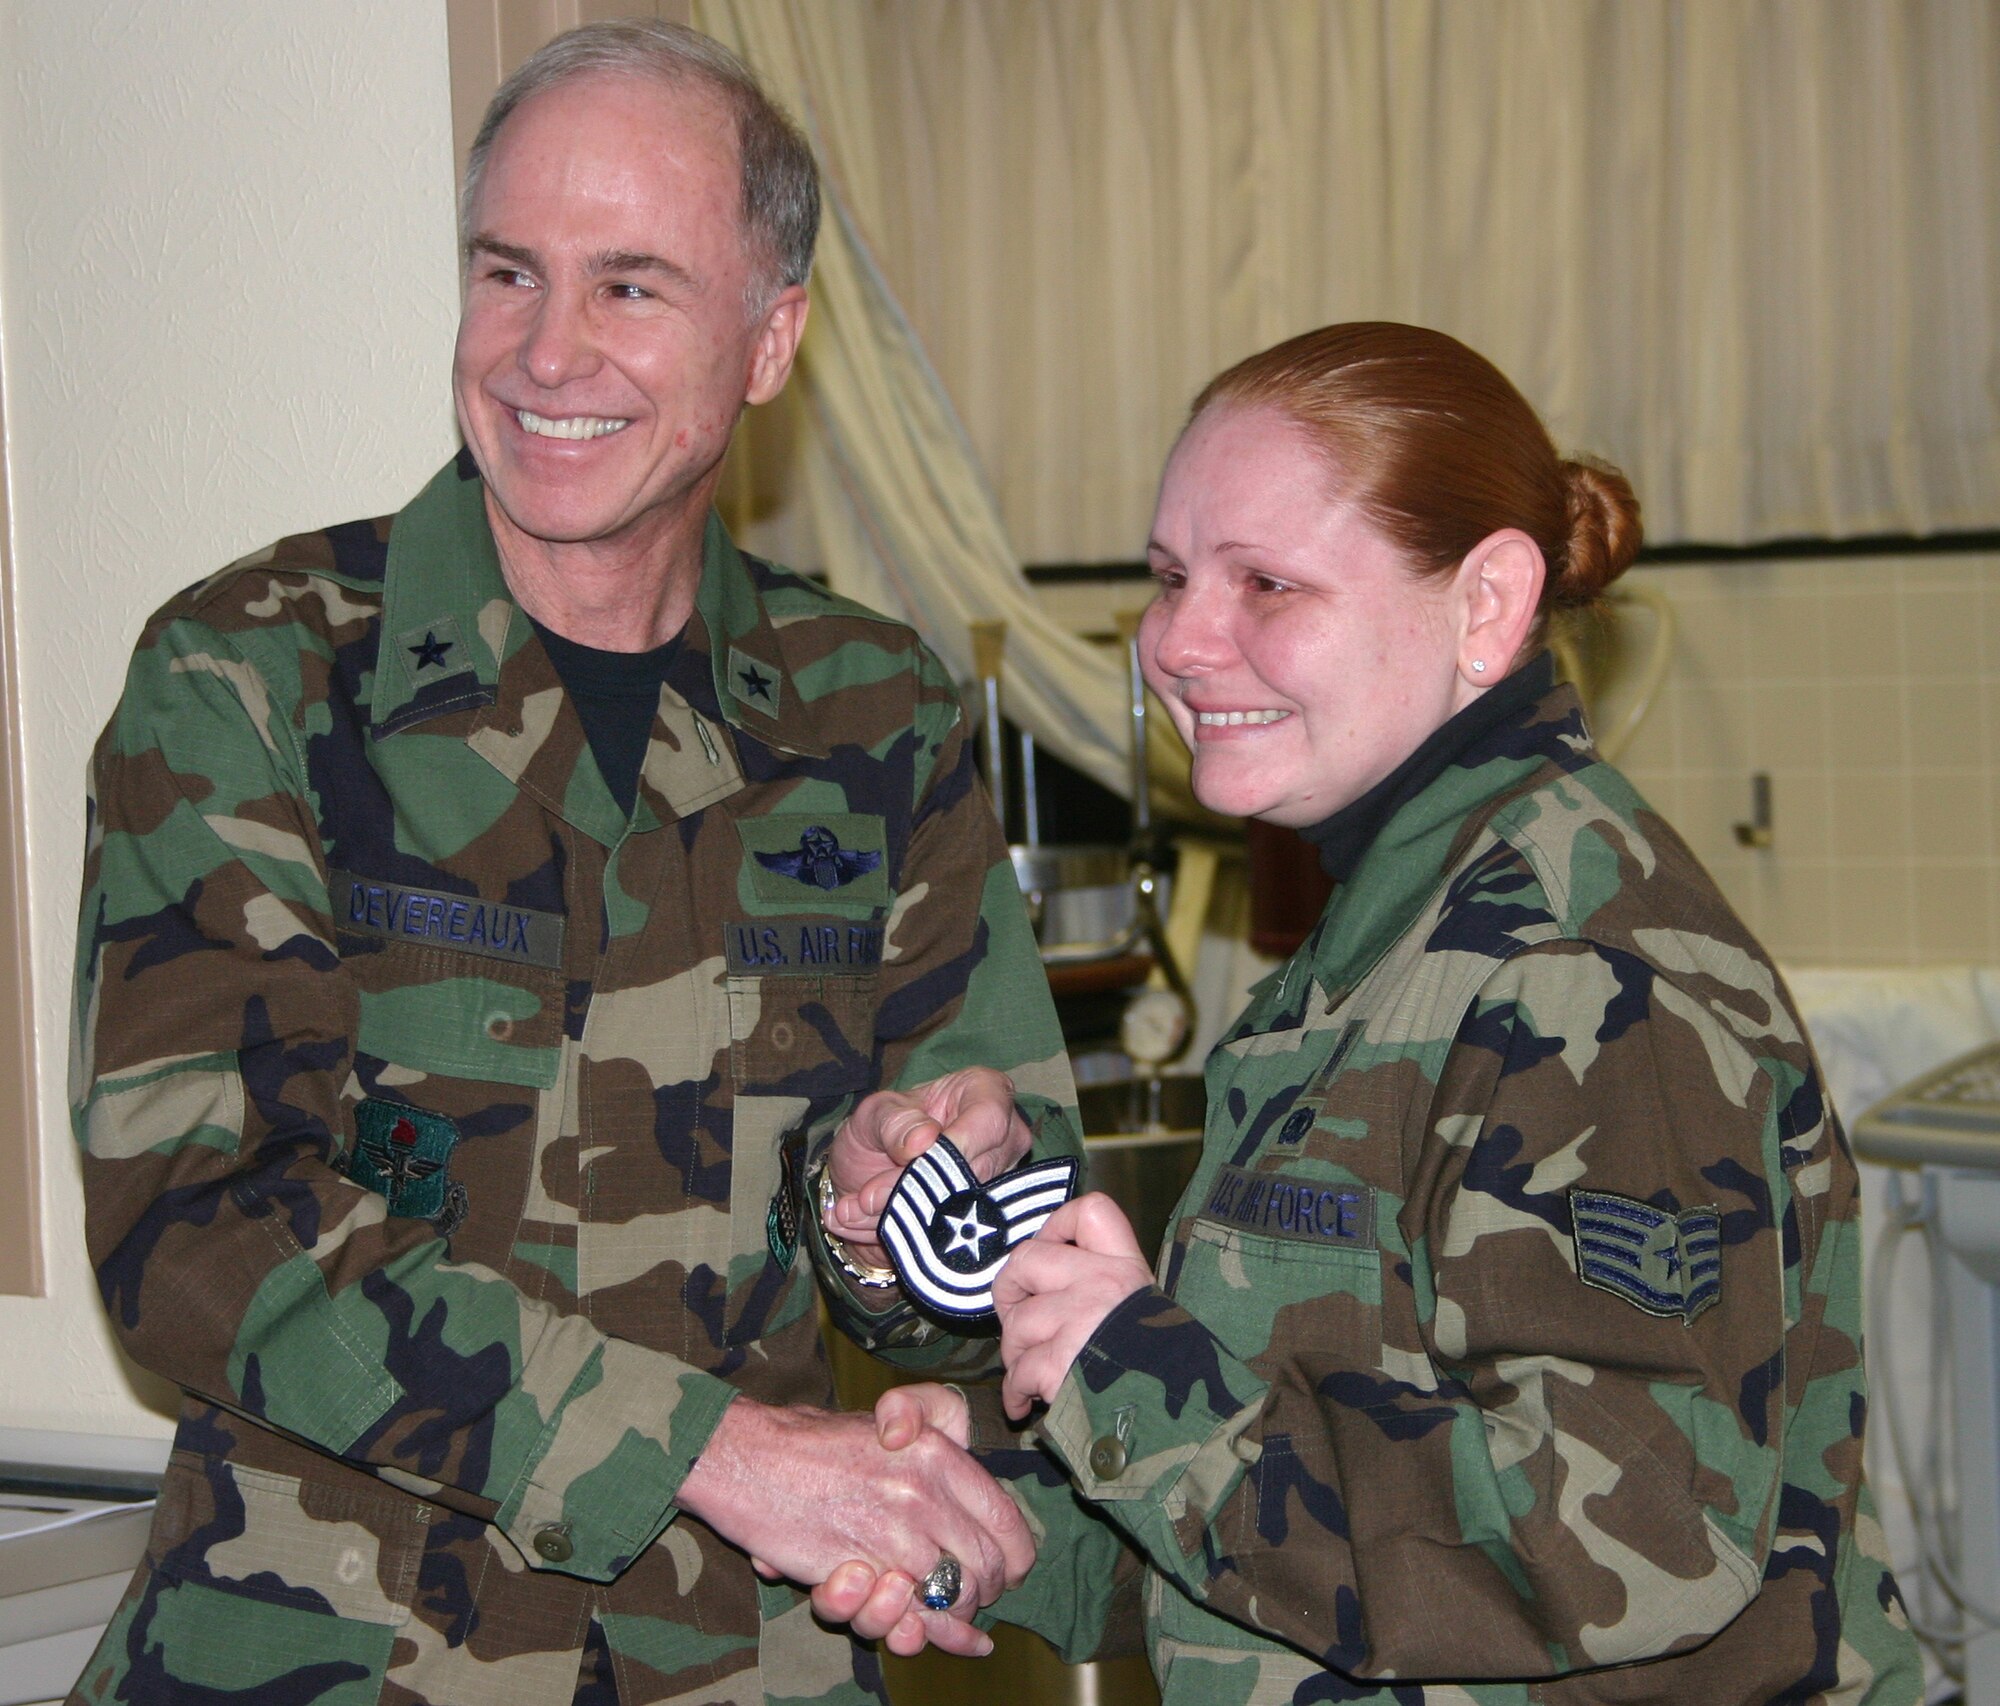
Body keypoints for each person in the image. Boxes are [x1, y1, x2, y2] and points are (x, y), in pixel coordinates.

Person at [67, 20, 1075, 1706]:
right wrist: (716, 1451)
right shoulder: (251, 676)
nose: (547, 351)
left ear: (769, 340)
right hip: (325, 1657)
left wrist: (885, 1220)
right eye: (508, 272)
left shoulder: (875, 712)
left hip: (743, 1665)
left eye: (630, 286)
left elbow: (989, 1277)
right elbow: (196, 1224)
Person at [832, 323, 1925, 1703]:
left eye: (1267, 583)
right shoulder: (1396, 937)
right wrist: (991, 1509)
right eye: (1169, 578)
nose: (1177, 642)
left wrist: (1134, 1383)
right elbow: (1333, 1474)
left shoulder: (1578, 972)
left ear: (1486, 605)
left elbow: (1631, 1538)